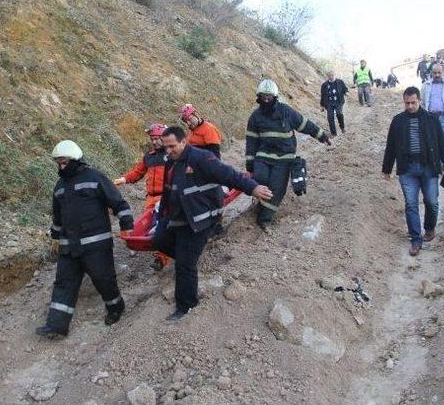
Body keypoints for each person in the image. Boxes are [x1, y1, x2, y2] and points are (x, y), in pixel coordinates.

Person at [153, 126, 272, 321]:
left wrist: (253, 188)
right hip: (178, 215)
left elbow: (229, 174)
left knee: (184, 265)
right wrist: (162, 215)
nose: (168, 151)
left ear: (184, 142)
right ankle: (189, 256)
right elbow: (168, 190)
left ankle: (186, 306)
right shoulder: (170, 160)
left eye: (172, 146)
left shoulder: (201, 158)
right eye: (165, 147)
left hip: (199, 218)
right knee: (159, 240)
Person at [37, 140, 134, 339]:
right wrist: (55, 235)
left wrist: (126, 224)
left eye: (64, 162)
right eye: (58, 163)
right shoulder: (59, 187)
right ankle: (56, 326)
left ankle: (115, 308)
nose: (61, 167)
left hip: (95, 244)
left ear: (75, 159)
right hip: (69, 247)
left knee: (103, 278)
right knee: (64, 283)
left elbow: (118, 202)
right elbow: (57, 217)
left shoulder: (95, 177)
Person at [246, 79, 332, 231]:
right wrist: (250, 162)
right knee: (260, 180)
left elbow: (305, 124)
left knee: (277, 188)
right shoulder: (255, 117)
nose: (266, 99)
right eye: (263, 96)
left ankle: (264, 219)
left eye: (269, 97)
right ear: (258, 97)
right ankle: (261, 203)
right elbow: (251, 141)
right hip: (263, 156)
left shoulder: (286, 112)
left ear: (275, 97)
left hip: (284, 157)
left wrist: (322, 135)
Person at [382, 87, 444, 256]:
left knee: (432, 202)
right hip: (407, 169)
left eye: (413, 102)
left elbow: (442, 142)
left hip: (429, 167)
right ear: (404, 102)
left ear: (419, 100)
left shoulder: (431, 119)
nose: (410, 106)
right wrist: (386, 168)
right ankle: (415, 239)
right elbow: (390, 146)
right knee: (411, 204)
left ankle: (429, 228)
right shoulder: (397, 121)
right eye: (407, 103)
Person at [114, 123, 171, 271]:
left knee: (161, 227)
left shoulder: (171, 155)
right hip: (151, 198)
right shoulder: (149, 157)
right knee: (151, 226)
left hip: (165, 197)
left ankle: (161, 258)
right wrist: (124, 179)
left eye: (157, 138)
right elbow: (138, 172)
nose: (154, 142)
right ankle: (158, 250)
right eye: (152, 138)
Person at [320, 71, 348, 135]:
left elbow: (345, 89)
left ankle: (342, 127)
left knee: (339, 113)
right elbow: (322, 95)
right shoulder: (324, 85)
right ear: (327, 76)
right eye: (329, 75)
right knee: (330, 117)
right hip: (329, 103)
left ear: (334, 75)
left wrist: (346, 92)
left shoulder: (340, 82)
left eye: (332, 75)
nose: (331, 77)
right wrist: (322, 105)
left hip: (338, 101)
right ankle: (333, 133)